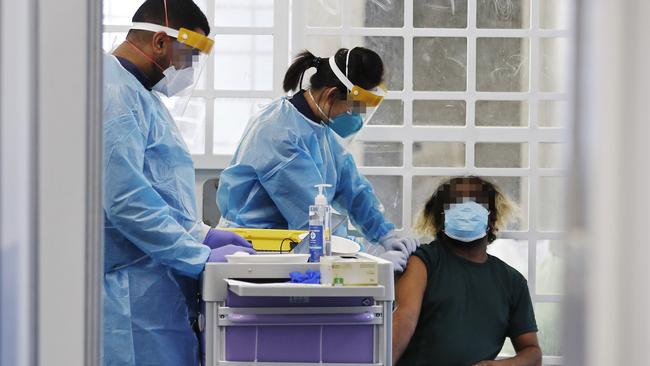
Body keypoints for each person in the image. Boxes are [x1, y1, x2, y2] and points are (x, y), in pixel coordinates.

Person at [102, 1, 254, 365]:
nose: (189, 69)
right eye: (190, 54)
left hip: (153, 282)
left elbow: (161, 190)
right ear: (159, 42)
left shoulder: (143, 97)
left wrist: (199, 232)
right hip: (128, 294)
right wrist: (198, 254)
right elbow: (126, 201)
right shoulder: (113, 94)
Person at [216, 48, 419, 271]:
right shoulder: (280, 134)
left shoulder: (319, 128)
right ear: (331, 95)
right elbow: (314, 219)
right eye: (355, 107)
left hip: (286, 251)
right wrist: (370, 260)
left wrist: (384, 233)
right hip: (252, 254)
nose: (357, 116)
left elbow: (352, 187)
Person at [392, 177, 542, 366]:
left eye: (476, 201)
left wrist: (498, 365)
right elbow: (403, 319)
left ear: (492, 218)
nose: (466, 208)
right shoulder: (424, 262)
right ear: (441, 217)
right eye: (455, 201)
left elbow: (533, 353)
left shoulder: (512, 282)